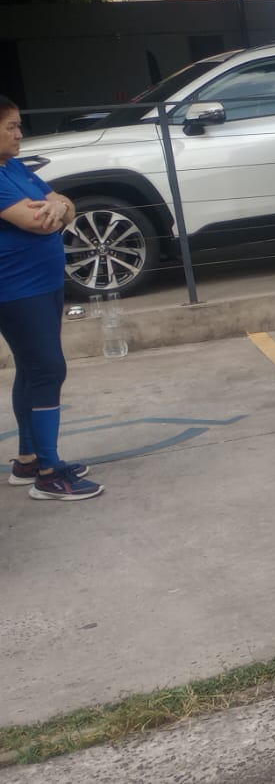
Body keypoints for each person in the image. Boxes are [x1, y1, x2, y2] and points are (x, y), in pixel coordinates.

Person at [0, 96, 101, 501]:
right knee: (47, 369)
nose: (20, 134)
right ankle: (48, 471)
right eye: (11, 127)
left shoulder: (14, 168)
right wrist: (54, 209)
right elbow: (38, 221)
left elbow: (65, 204)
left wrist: (58, 205)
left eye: (19, 126)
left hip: (41, 284)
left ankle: (27, 460)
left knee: (32, 369)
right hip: (16, 289)